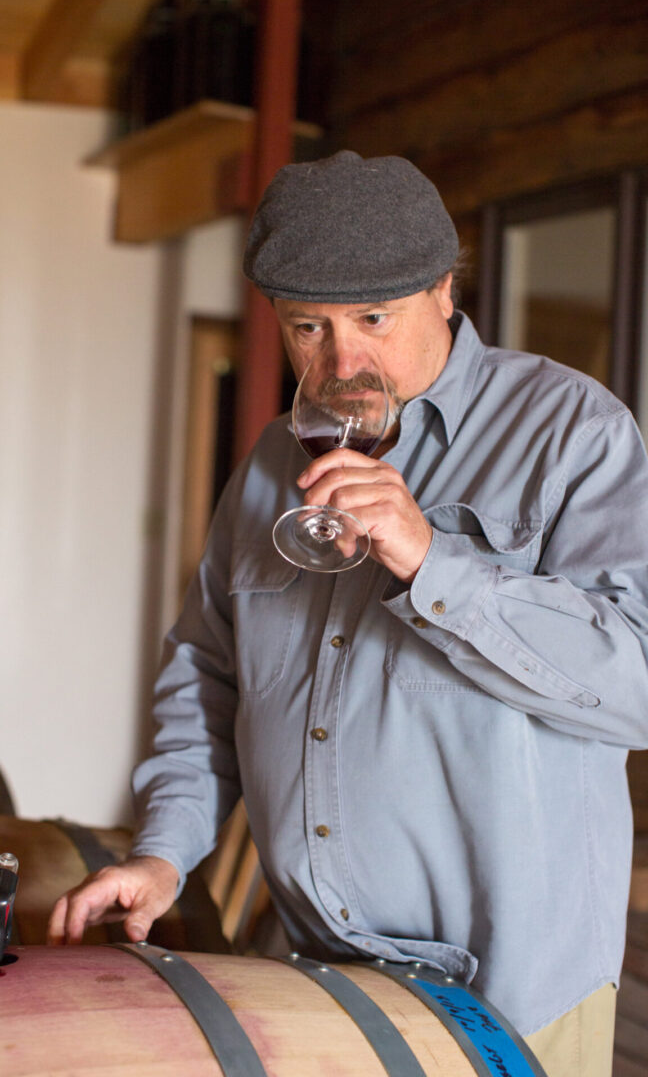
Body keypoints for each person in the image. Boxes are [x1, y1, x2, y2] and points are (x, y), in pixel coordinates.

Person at [48, 151, 648, 1075]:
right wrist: (166, 852)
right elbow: (209, 673)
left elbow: (634, 684)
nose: (343, 363)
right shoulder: (267, 464)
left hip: (510, 991)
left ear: (445, 290)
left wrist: (429, 559)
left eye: (373, 319)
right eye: (308, 328)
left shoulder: (574, 432)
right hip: (319, 977)